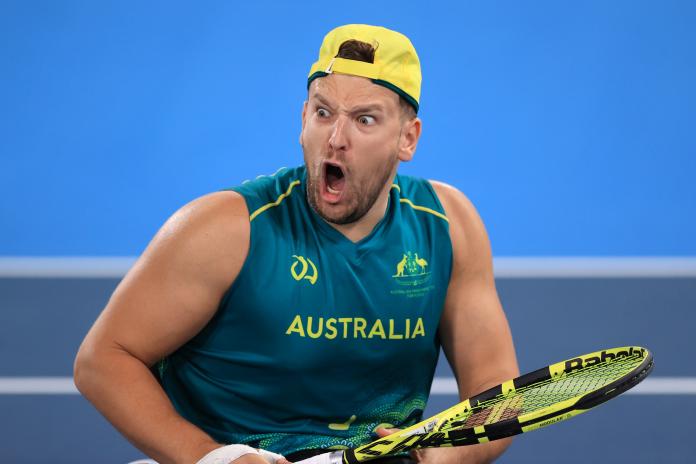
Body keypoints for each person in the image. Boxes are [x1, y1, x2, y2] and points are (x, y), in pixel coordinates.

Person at [74, 24, 518, 464]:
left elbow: (498, 393)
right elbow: (103, 359)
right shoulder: (226, 228)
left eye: (364, 119)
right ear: (303, 118)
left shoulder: (447, 225)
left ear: (407, 138)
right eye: (324, 113)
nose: (336, 139)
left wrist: (440, 456)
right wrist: (216, 458)